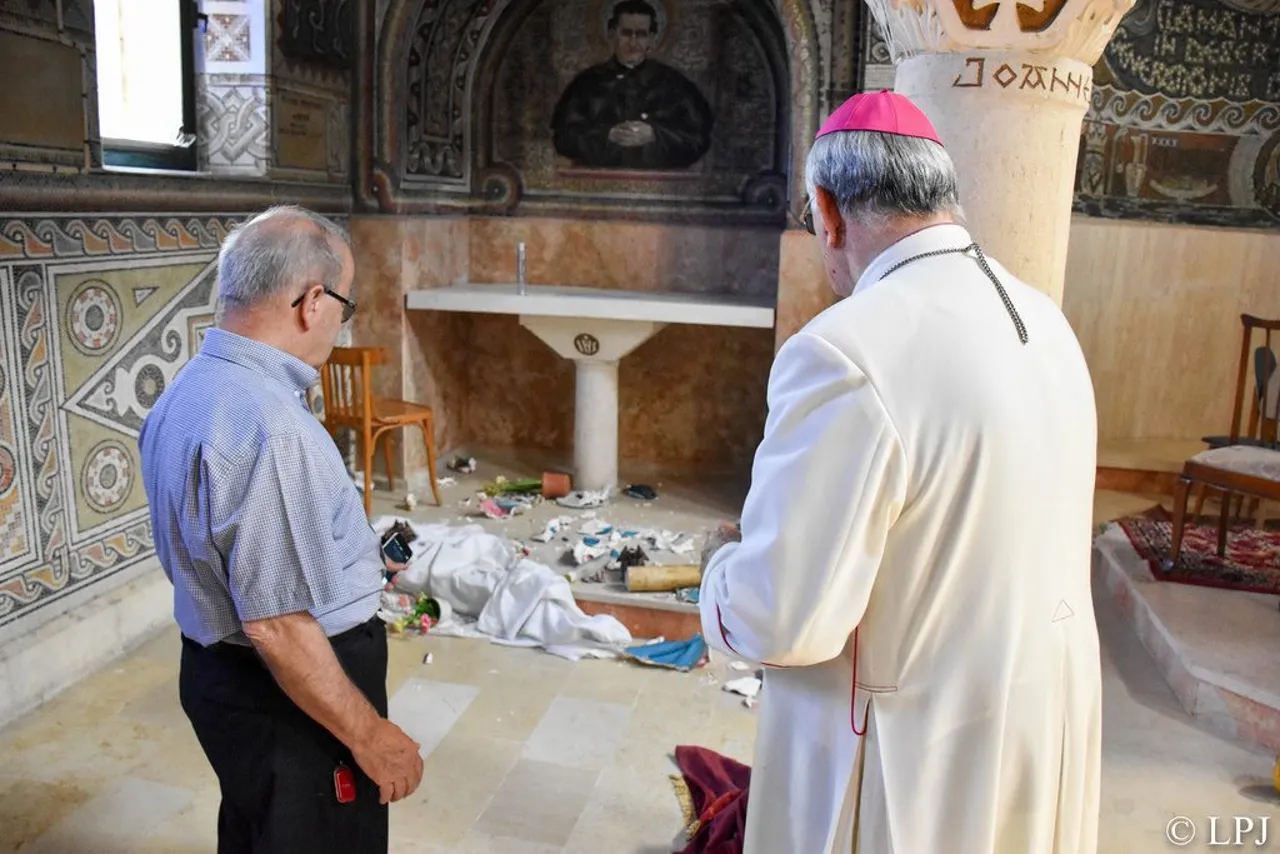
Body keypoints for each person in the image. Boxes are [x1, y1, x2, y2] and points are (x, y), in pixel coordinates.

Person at [698, 91, 1102, 854]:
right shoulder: (1042, 317)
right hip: (1034, 715)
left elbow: (783, 622)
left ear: (828, 209)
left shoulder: (844, 350)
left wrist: (720, 568)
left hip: (914, 748)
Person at [138, 206, 424, 854]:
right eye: (342, 307)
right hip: (290, 699)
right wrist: (370, 736)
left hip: (220, 676)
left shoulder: (185, 391)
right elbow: (277, 623)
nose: (338, 324)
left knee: (259, 828)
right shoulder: (268, 426)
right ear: (312, 301)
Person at [551, 0, 713, 170]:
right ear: (612, 34)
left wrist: (654, 135)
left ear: (651, 39)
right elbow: (563, 138)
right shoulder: (586, 83)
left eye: (641, 34)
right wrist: (608, 134)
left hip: (659, 186)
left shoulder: (675, 85)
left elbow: (698, 139)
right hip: (599, 185)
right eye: (626, 33)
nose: (633, 42)